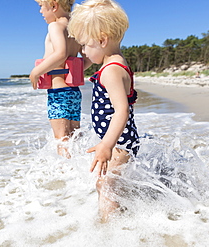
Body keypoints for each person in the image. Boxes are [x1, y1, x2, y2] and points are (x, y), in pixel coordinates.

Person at [68, 0, 140, 222]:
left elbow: (122, 111)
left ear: (102, 40)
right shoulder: (114, 63)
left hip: (119, 144)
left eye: (84, 45)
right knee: (114, 183)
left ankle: (110, 230)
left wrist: (107, 145)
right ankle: (126, 213)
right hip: (121, 141)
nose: (83, 51)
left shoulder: (111, 71)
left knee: (105, 184)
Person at [29, 0, 83, 158]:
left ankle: (65, 176)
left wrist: (36, 72)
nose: (40, 12)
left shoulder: (55, 26)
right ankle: (78, 172)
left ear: (53, 6)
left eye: (41, 7)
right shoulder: (75, 29)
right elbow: (87, 59)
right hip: (73, 92)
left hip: (59, 92)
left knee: (61, 140)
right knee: (73, 138)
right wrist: (72, 71)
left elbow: (61, 53)